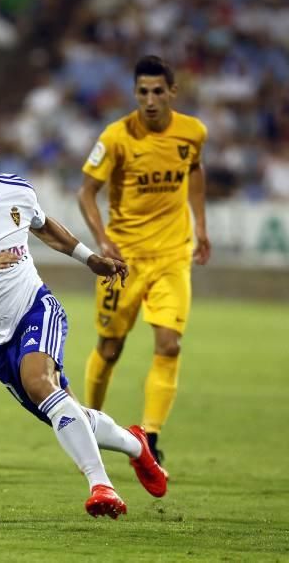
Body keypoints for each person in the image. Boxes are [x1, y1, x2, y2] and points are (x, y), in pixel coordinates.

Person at [0, 116, 168, 519]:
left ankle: (102, 486)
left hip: (34, 307)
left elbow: (45, 228)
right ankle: (136, 445)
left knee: (40, 383)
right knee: (62, 410)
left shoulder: (18, 192)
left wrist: (90, 258)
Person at [78, 55, 211, 471]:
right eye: (143, 92)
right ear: (135, 94)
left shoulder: (193, 132)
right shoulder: (117, 137)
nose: (150, 100)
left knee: (170, 343)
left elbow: (195, 171)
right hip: (124, 260)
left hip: (173, 255)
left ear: (173, 92)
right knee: (110, 347)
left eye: (158, 92)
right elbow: (86, 193)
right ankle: (88, 423)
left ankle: (150, 436)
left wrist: (201, 227)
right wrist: (102, 240)